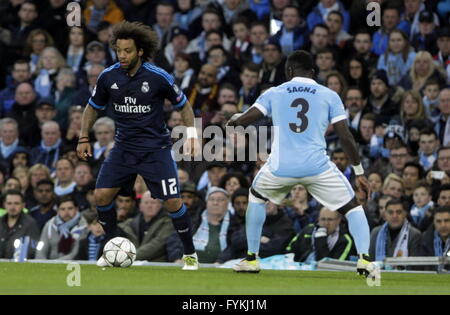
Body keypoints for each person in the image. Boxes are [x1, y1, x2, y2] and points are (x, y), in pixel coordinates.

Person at [226, 50, 377, 279]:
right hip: (317, 167)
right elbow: (345, 137)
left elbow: (247, 118)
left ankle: (251, 259)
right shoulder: (329, 95)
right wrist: (358, 172)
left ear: (288, 71)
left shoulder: (275, 92)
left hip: (280, 167)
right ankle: (365, 260)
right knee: (352, 206)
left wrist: (233, 120)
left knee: (256, 196)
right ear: (313, 72)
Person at [76, 21, 200, 270]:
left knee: (173, 202)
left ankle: (189, 253)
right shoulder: (108, 76)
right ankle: (111, 248)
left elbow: (183, 104)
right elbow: (92, 107)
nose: (122, 55)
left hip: (156, 150)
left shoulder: (158, 77)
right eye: (119, 50)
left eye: (127, 51)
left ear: (140, 51)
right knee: (101, 196)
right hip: (123, 148)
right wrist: (83, 136)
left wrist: (192, 134)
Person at [287, 207, 355, 262]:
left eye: (330, 219)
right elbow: (290, 249)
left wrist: (321, 236)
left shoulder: (345, 240)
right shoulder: (308, 230)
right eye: (323, 219)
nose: (326, 223)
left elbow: (330, 265)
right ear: (318, 219)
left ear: (338, 220)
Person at [120, 191, 174, 261]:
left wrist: (129, 256)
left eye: (153, 202)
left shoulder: (168, 222)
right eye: (146, 203)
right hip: (134, 263)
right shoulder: (130, 223)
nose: (149, 206)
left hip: (156, 265)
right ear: (140, 206)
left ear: (160, 205)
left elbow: (157, 245)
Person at [35, 194, 88, 260]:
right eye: (62, 209)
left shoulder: (84, 227)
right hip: (50, 265)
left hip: (75, 265)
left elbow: (75, 253)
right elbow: (41, 249)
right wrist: (42, 263)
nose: (66, 212)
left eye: (70, 208)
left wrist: (56, 264)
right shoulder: (50, 225)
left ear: (76, 209)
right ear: (57, 211)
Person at [0, 190, 40, 259]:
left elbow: (32, 249)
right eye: (9, 203)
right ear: (4, 204)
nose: (12, 207)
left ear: (23, 205)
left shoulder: (30, 223)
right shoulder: (1, 221)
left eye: (16, 203)